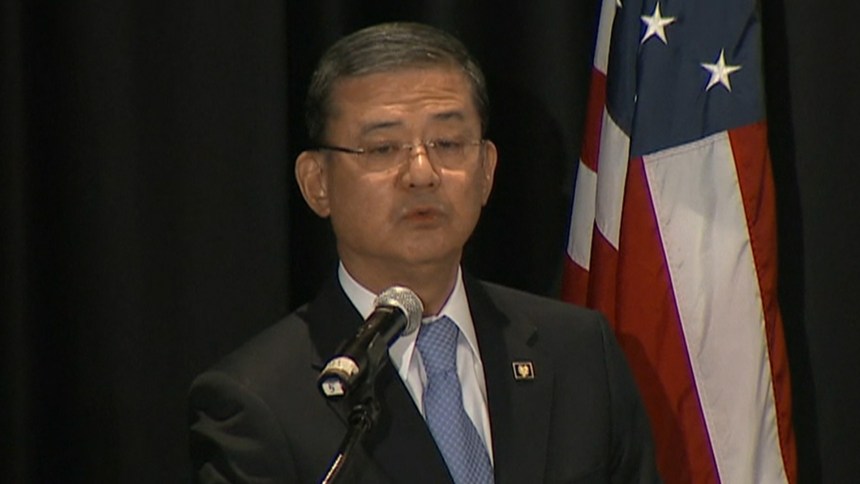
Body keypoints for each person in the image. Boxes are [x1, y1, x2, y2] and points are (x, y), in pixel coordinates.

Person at [188, 21, 660, 483]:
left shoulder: (579, 354)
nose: (421, 173)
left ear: (487, 171)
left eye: (448, 143)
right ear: (317, 183)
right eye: (382, 148)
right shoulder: (258, 401)